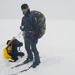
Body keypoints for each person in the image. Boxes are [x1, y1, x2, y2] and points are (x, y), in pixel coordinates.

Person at [20, 4, 40, 68]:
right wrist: (22, 28)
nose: (24, 11)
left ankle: (37, 61)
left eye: (25, 10)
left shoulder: (32, 16)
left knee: (33, 48)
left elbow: (37, 27)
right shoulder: (23, 18)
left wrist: (36, 37)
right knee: (27, 47)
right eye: (23, 10)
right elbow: (23, 25)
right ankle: (30, 58)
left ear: (28, 8)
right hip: (26, 35)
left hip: (33, 35)